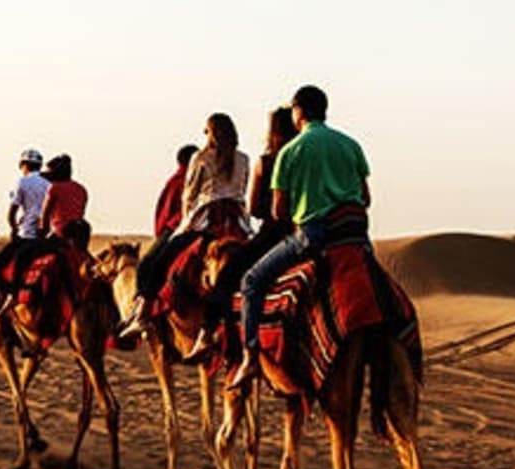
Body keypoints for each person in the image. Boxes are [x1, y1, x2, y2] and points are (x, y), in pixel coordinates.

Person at [229, 84, 371, 388]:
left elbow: (279, 212)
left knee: (251, 283)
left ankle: (251, 356)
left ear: (299, 112)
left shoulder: (289, 153)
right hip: (355, 237)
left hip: (314, 236)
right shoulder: (351, 145)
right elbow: (366, 198)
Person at [120, 115, 249, 340]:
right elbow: (242, 189)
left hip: (207, 220)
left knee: (155, 262)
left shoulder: (200, 158)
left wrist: (185, 225)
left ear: (212, 132)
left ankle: (142, 314)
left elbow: (189, 196)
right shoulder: (244, 159)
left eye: (206, 131)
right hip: (236, 221)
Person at [187, 106, 298, 360]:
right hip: (250, 221)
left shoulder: (266, 161)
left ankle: (211, 334)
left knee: (235, 276)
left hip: (272, 232)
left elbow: (259, 208)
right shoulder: (246, 160)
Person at [0, 148, 49, 331]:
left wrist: (13, 228)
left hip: (26, 236)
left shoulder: (22, 182)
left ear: (23, 165)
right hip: (45, 237)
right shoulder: (48, 184)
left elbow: (12, 212)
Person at [154, 144, 197, 239]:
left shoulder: (175, 182)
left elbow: (165, 211)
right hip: (179, 225)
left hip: (178, 225)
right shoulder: (179, 181)